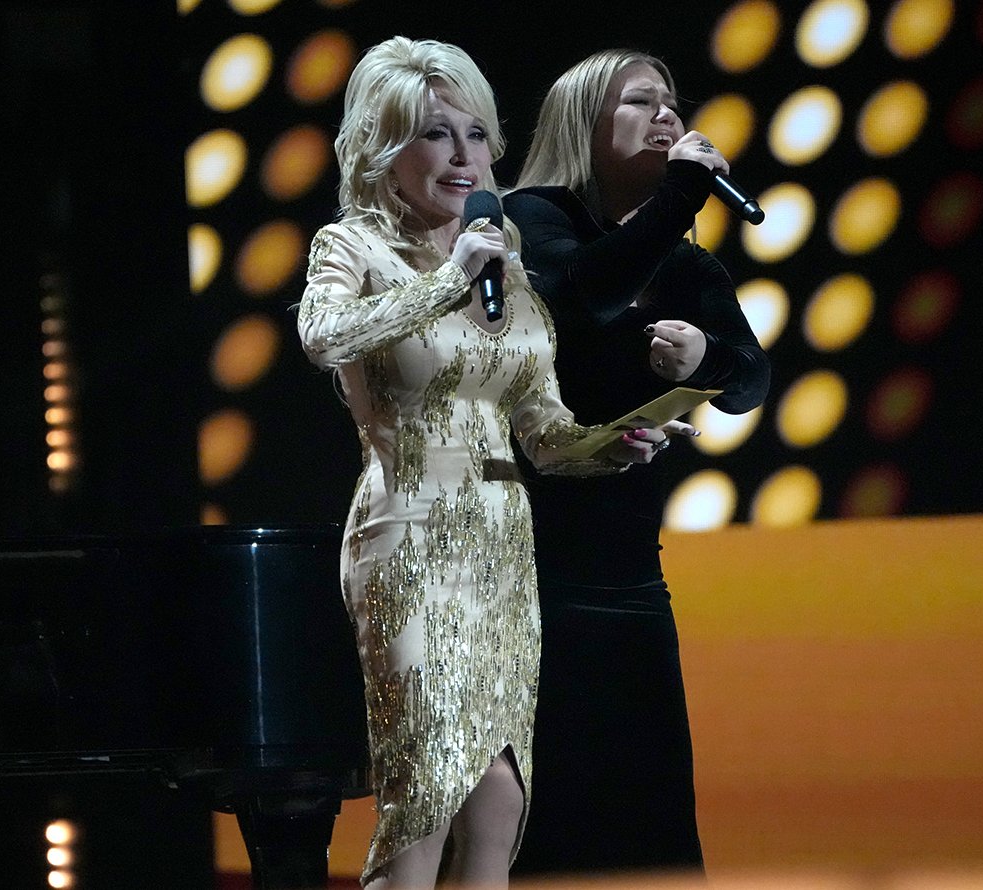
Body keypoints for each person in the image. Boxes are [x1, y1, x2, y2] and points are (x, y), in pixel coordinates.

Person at [295, 36, 691, 889]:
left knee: (501, 800)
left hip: (505, 550)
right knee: (427, 789)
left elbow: (542, 429)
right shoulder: (355, 246)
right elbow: (324, 335)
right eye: (436, 135)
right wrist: (447, 281)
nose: (463, 157)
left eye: (476, 136)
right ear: (384, 148)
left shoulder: (501, 254)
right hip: (407, 536)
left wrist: (611, 444)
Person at [502, 49, 772, 875]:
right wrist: (682, 192)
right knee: (548, 813)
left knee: (646, 811)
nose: (666, 116)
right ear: (584, 122)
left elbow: (751, 379)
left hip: (629, 578)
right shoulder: (529, 219)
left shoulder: (688, 267)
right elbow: (586, 295)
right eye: (639, 102)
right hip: (529, 570)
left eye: (671, 104)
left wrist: (706, 363)